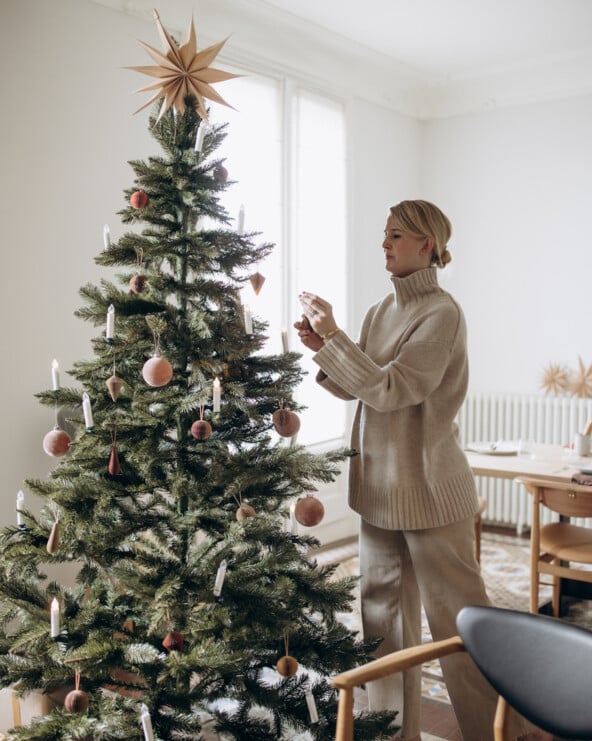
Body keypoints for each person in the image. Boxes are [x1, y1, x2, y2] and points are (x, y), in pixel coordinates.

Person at [295, 200, 545, 741]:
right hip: (378, 489)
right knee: (381, 621)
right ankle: (391, 730)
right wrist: (323, 348)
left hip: (431, 492)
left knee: (460, 622)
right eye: (384, 235)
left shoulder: (442, 312)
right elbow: (355, 384)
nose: (384, 244)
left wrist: (335, 340)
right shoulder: (380, 310)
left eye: (395, 235)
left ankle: (496, 731)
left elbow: (393, 389)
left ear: (426, 244)